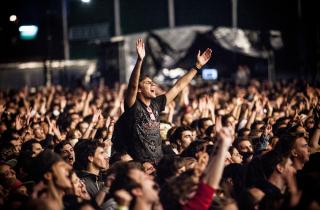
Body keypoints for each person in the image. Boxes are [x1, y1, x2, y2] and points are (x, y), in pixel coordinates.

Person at [112, 39, 212, 164]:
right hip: (142, 165)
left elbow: (178, 87)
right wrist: (139, 61)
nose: (153, 84)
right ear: (139, 90)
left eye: (153, 82)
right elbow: (132, 86)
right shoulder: (133, 106)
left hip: (159, 162)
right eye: (148, 83)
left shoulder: (157, 104)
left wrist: (197, 67)